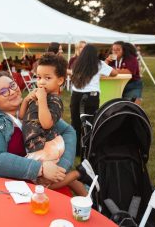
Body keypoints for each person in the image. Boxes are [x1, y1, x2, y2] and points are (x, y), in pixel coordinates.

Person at [0, 72, 76, 191]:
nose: (12, 91)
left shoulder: (34, 108)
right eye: (3, 91)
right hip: (6, 188)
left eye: (12, 85)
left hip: (43, 183)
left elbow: (68, 131)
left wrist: (62, 167)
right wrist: (40, 169)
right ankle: (80, 174)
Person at [19, 54, 98, 195]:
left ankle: (77, 174)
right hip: (36, 144)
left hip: (46, 146)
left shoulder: (54, 101)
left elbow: (47, 123)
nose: (41, 82)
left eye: (47, 78)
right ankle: (82, 182)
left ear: (60, 80)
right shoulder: (39, 95)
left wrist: (42, 100)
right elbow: (21, 116)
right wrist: (26, 101)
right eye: (38, 77)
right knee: (41, 181)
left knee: (45, 184)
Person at [70, 44, 118, 155]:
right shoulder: (99, 64)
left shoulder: (76, 64)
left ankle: (77, 150)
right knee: (90, 123)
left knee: (76, 123)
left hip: (76, 95)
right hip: (91, 96)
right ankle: (88, 149)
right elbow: (115, 73)